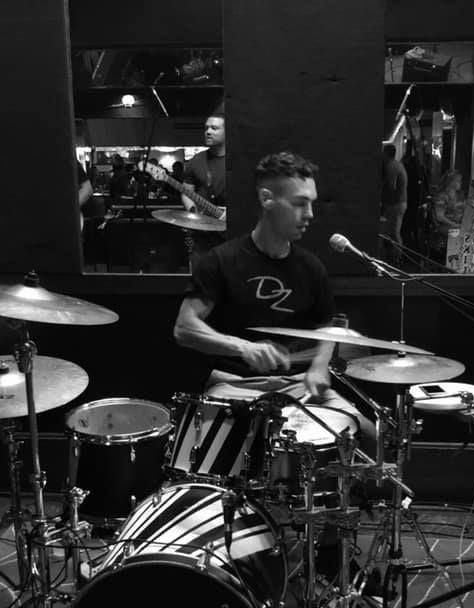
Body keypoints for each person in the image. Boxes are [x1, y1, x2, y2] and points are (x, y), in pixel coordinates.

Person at [173, 151, 375, 448]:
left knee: (369, 434)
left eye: (311, 203)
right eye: (299, 203)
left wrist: (320, 366)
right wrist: (243, 347)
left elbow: (328, 328)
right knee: (221, 450)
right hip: (235, 386)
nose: (310, 214)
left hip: (299, 386)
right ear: (267, 199)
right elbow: (184, 328)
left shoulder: (311, 267)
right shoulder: (220, 261)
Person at [181, 112, 227, 216]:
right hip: (203, 222)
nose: (208, 132)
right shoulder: (195, 160)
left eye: (214, 128)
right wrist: (193, 212)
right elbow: (186, 193)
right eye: (206, 128)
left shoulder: (239, 160)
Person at [380, 143, 408, 264]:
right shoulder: (398, 164)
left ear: (386, 153)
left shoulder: (391, 166)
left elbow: (391, 187)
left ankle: (397, 257)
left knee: (394, 232)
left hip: (395, 203)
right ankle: (395, 256)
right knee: (392, 231)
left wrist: (383, 201)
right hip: (400, 202)